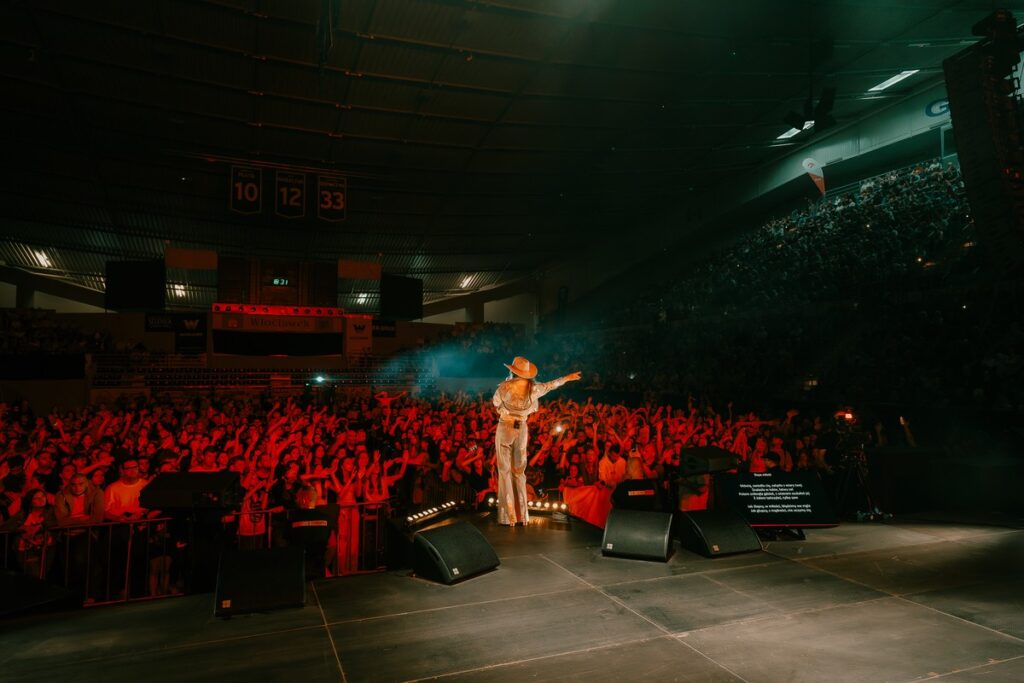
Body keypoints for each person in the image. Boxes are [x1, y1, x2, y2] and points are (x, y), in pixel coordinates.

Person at [491, 357, 581, 526]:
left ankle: (508, 516)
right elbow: (551, 385)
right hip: (522, 428)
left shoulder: (504, 387)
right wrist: (567, 378)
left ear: (513, 371)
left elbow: (495, 402)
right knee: (519, 472)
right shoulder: (534, 388)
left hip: (505, 426)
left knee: (504, 471)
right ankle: (522, 517)